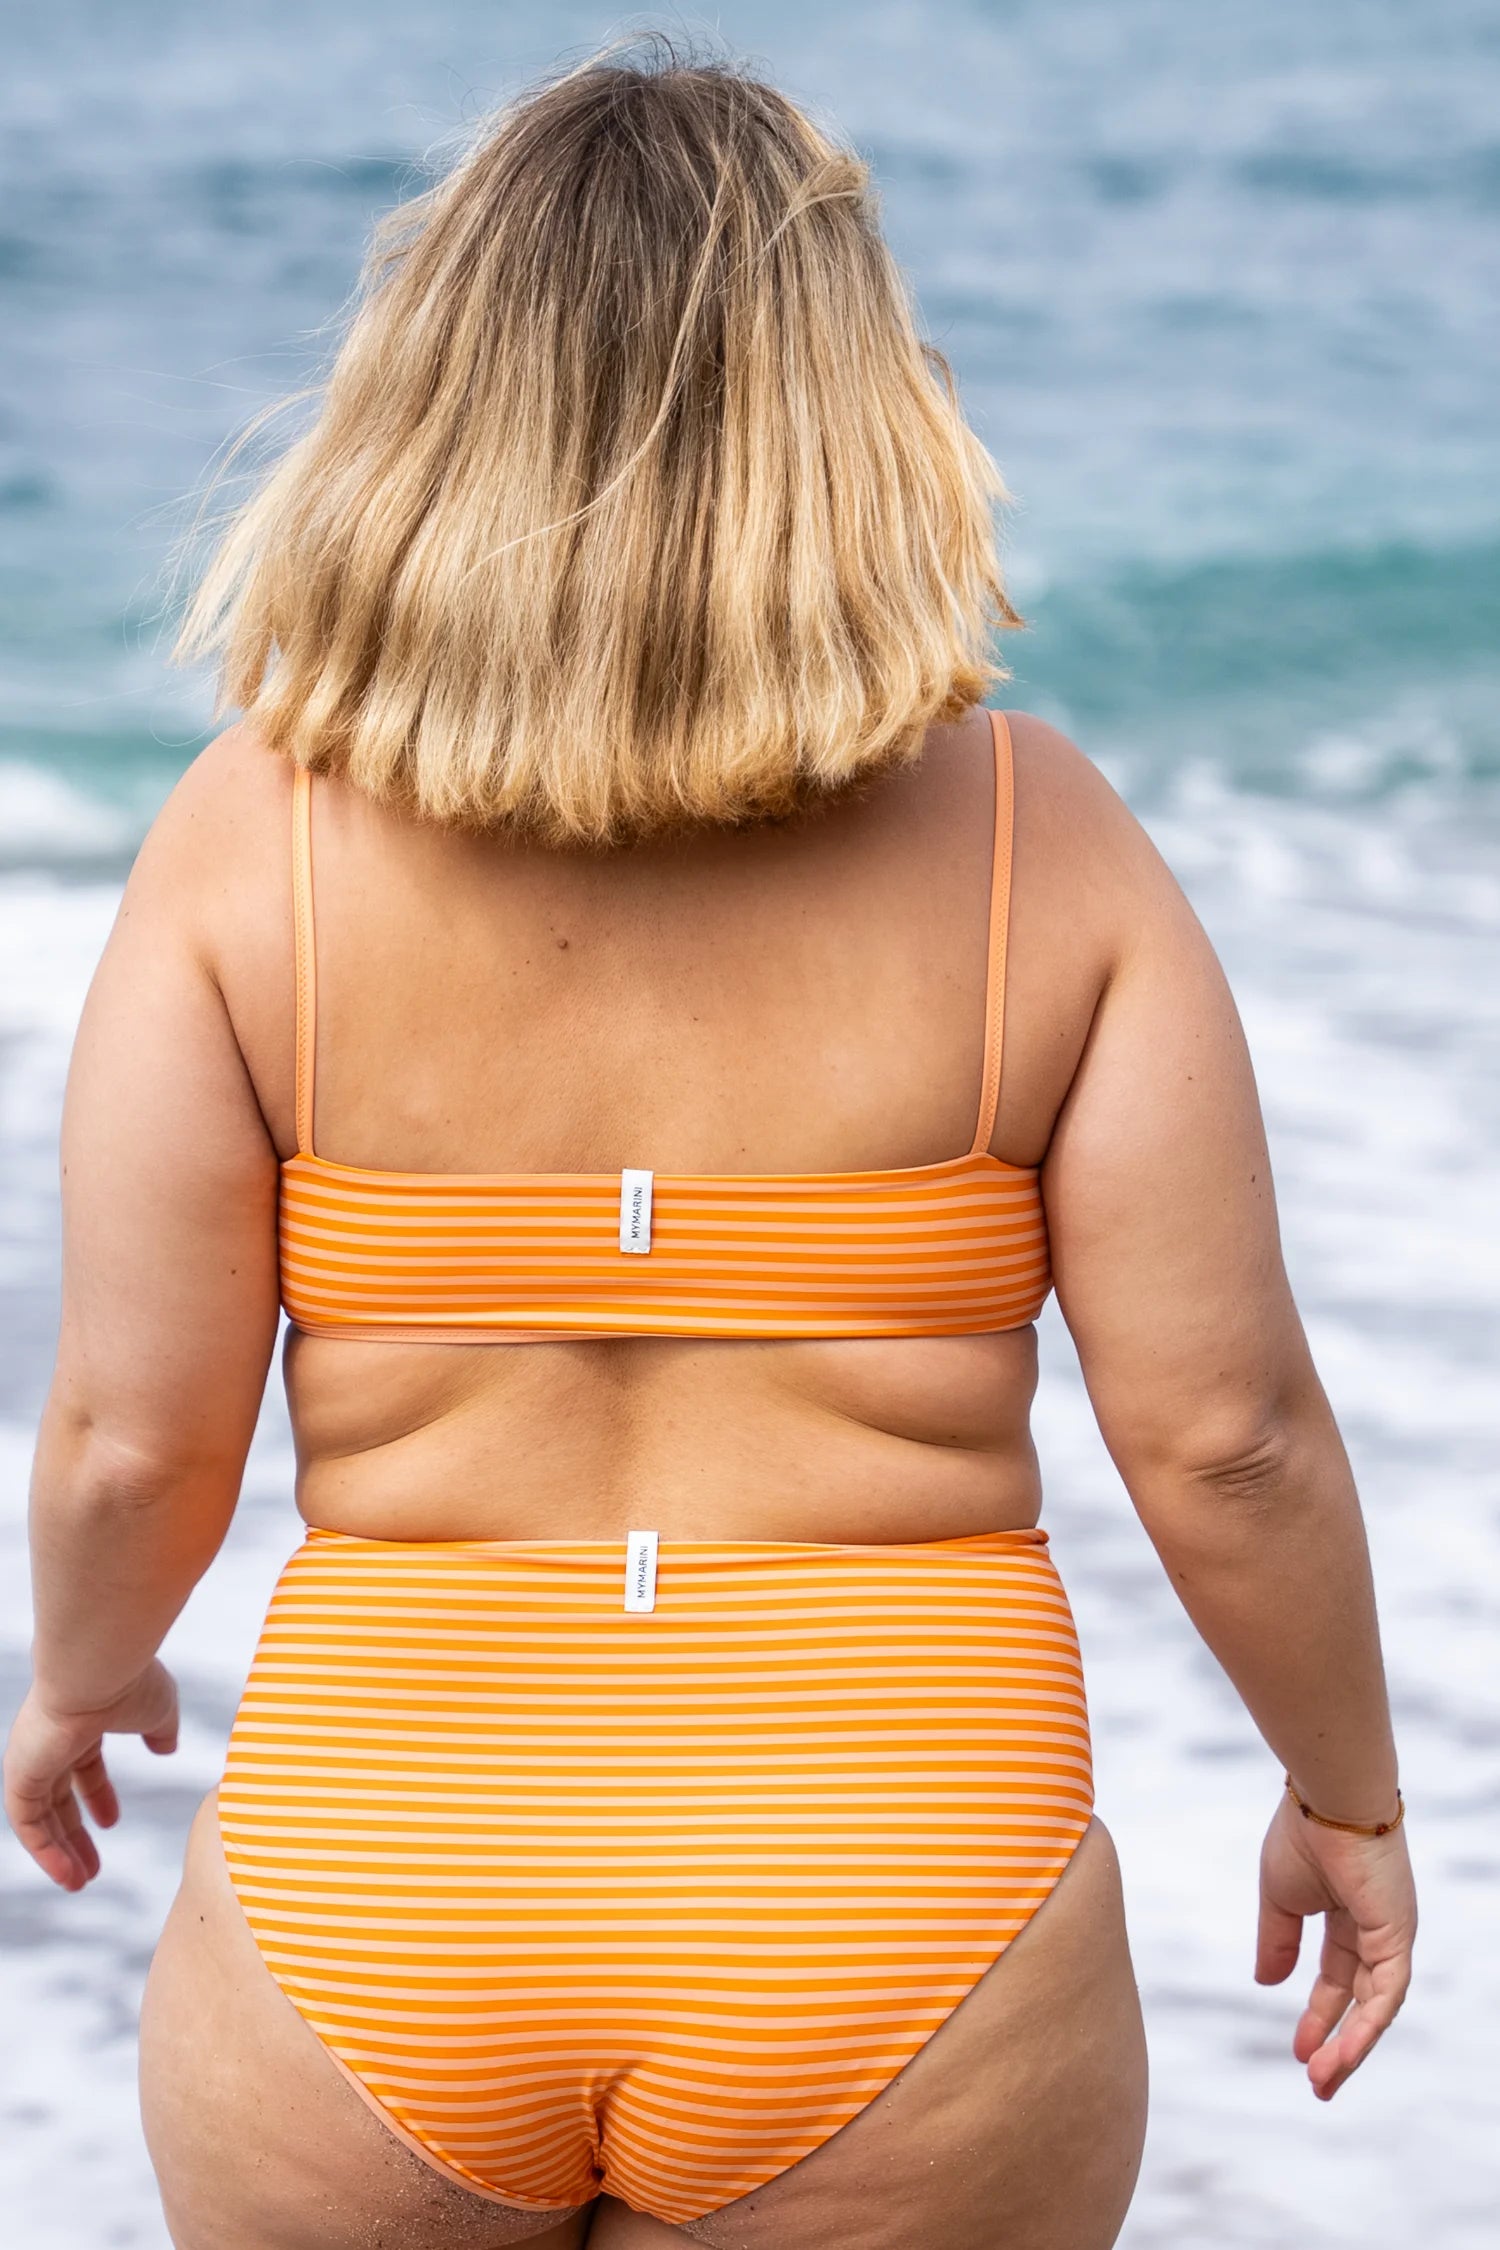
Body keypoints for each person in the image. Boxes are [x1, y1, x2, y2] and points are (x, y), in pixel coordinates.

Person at [3, 46, 1415, 2250]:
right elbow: (1228, 1437)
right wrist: (1351, 1796)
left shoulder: (243, 850)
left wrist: (85, 1673)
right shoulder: (1047, 847)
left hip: (389, 1893)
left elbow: (124, 1436)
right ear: (858, 416)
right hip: (895, 1900)